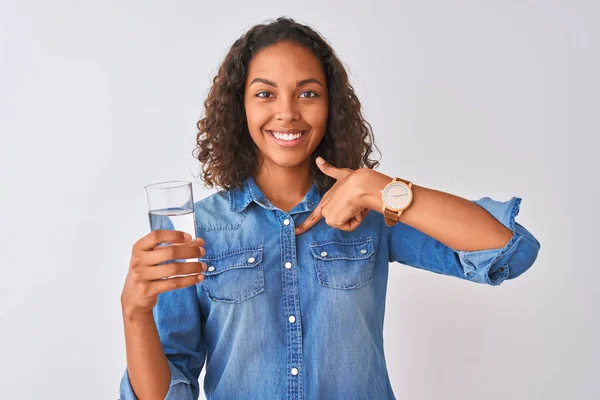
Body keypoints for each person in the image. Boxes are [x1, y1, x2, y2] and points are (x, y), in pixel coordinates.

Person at [119, 16, 541, 400]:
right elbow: (165, 392)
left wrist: (377, 188)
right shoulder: (201, 228)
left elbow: (508, 248)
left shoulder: (371, 211)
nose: (287, 112)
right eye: (265, 93)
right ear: (239, 106)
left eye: (308, 93)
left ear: (330, 105)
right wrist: (135, 311)